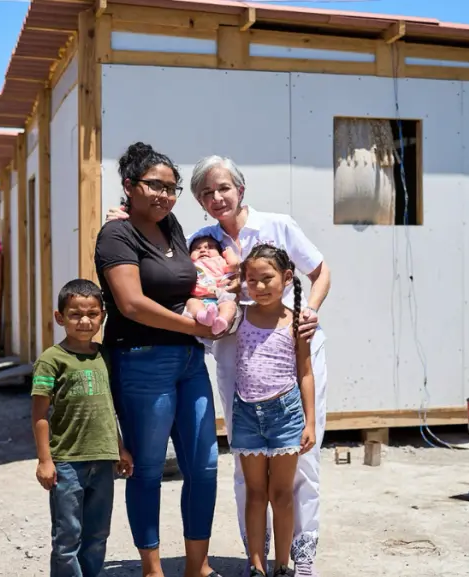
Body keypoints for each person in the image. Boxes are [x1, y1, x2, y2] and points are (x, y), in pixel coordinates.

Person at [106, 154, 332, 576]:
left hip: (291, 352)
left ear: (240, 189)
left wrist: (311, 309)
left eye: (223, 188)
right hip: (238, 363)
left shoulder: (277, 225)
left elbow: (321, 272)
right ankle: (257, 559)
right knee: (247, 472)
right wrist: (123, 216)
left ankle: (299, 558)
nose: (216, 197)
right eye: (205, 193)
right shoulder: (199, 239)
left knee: (301, 464)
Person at [94, 142, 224, 577]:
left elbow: (188, 283)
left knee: (204, 465)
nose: (164, 196)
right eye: (155, 186)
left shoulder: (171, 226)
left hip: (189, 363)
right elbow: (130, 303)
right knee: (147, 469)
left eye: (172, 188)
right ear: (129, 186)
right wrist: (194, 327)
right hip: (141, 360)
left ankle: (197, 565)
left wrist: (212, 304)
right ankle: (152, 569)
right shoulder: (116, 234)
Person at [31, 278, 134, 577]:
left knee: (98, 534)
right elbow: (39, 412)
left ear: (102, 315)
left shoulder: (104, 356)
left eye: (92, 314)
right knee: (67, 537)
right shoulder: (52, 360)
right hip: (66, 463)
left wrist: (120, 448)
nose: (85, 321)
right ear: (60, 317)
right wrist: (45, 460)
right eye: (75, 314)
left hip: (103, 460)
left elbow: (108, 409)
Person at [231, 244, 317, 577]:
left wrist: (310, 422)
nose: (260, 287)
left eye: (267, 279)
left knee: (281, 493)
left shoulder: (297, 322)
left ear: (287, 277)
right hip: (246, 415)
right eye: (252, 280)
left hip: (286, 415)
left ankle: (283, 566)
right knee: (255, 493)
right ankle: (256, 566)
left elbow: (305, 373)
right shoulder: (240, 315)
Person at [185, 233, 240, 335]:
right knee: (191, 303)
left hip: (220, 298)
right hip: (199, 299)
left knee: (230, 305)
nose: (203, 250)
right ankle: (204, 316)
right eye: (197, 248)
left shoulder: (220, 261)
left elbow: (234, 265)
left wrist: (229, 251)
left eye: (210, 247)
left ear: (220, 253)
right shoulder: (190, 264)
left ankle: (222, 321)